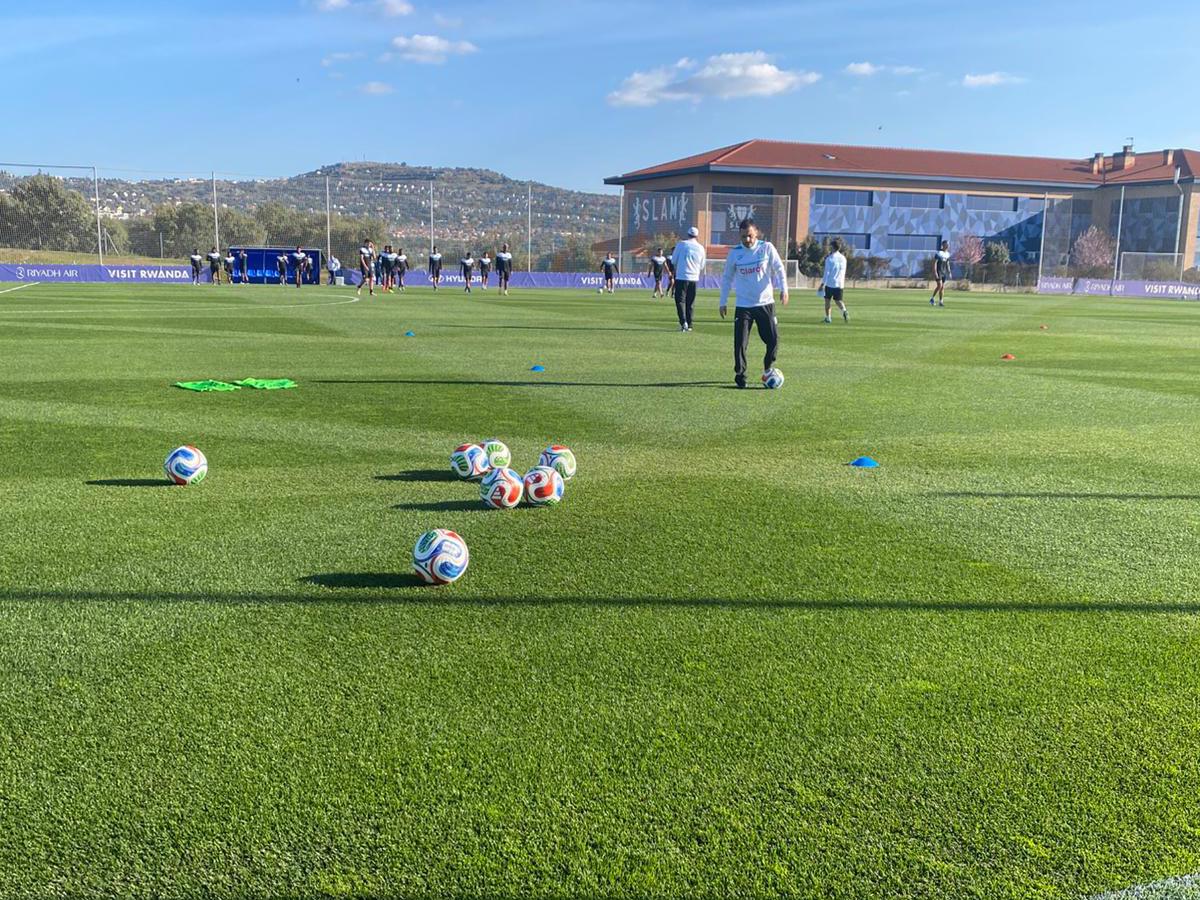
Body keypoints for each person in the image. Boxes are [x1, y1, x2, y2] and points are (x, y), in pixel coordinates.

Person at [719, 218, 788, 389]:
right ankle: (740, 374)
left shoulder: (766, 248)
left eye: (750, 236)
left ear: (756, 233)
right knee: (740, 343)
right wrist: (723, 301)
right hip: (744, 306)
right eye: (744, 237)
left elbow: (779, 269)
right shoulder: (735, 254)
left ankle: (768, 368)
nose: (747, 240)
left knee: (773, 340)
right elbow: (727, 278)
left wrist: (784, 289)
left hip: (765, 303)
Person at [670, 226, 707, 332]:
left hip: (682, 277)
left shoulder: (681, 244)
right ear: (697, 236)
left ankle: (683, 322)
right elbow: (702, 265)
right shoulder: (701, 248)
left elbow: (673, 261)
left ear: (688, 234)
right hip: (694, 278)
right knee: (690, 302)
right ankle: (690, 324)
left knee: (680, 300)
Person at [821, 238, 849, 323]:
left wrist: (822, 284)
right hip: (840, 283)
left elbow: (826, 272)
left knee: (827, 300)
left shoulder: (829, 259)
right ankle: (844, 311)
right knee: (838, 300)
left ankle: (828, 318)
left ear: (833, 247)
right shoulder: (843, 258)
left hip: (830, 283)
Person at [930, 240, 951, 306]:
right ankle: (932, 298)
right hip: (939, 271)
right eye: (946, 244)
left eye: (948, 244)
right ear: (943, 245)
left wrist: (949, 272)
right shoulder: (939, 253)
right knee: (940, 285)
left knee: (942, 287)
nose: (948, 246)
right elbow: (935, 263)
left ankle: (941, 301)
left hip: (944, 272)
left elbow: (947, 263)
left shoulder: (948, 254)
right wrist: (935, 272)